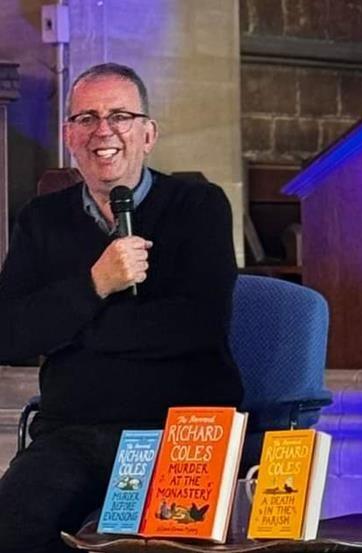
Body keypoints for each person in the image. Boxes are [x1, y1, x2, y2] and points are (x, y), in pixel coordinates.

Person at [0, 63, 243, 552]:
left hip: (178, 430)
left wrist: (67, 331)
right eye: (86, 118)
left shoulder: (198, 206)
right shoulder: (41, 219)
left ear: (147, 133)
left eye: (120, 115)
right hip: (72, 432)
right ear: (69, 135)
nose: (103, 131)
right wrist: (95, 284)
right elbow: (9, 335)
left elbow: (195, 325)